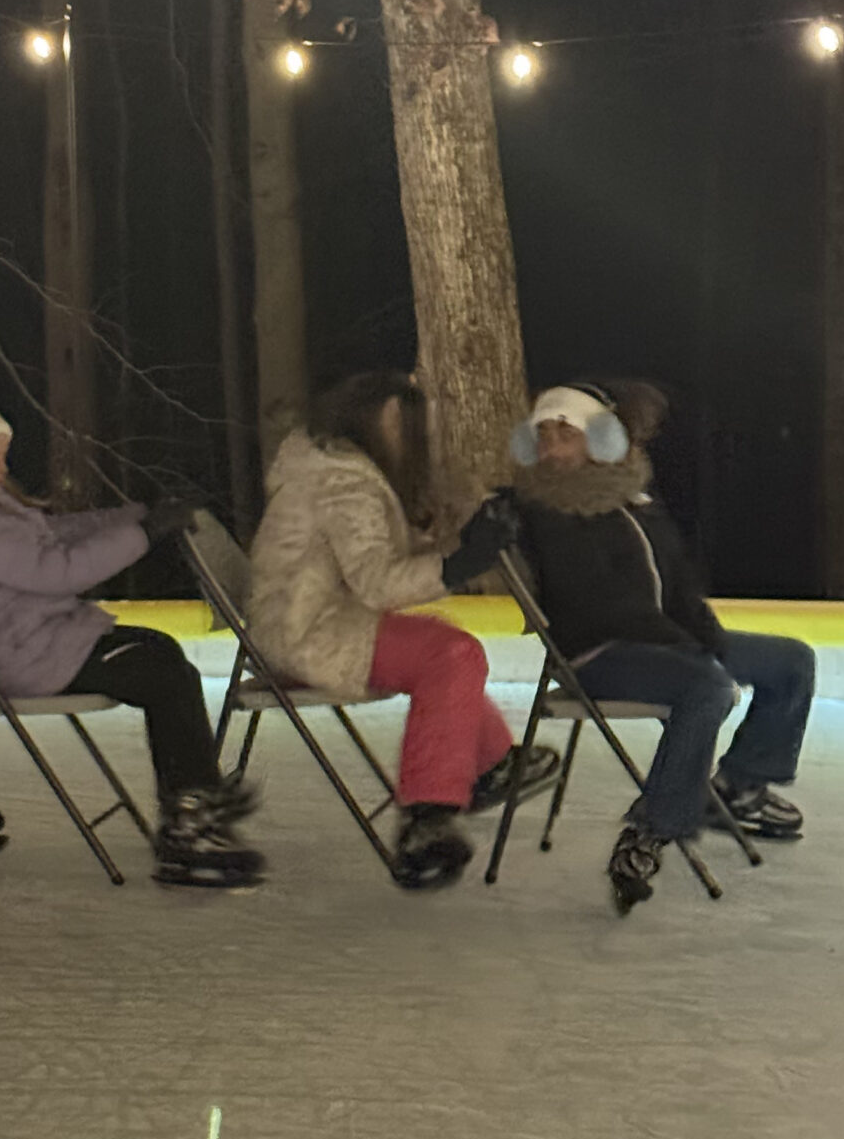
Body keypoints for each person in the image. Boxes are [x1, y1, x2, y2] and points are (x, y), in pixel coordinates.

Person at [0, 404, 264, 889]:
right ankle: (190, 825)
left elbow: (53, 535)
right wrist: (142, 536)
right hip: (29, 655)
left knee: (159, 652)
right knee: (164, 675)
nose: (1, 468)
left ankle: (193, 801)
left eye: (3, 455)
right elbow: (57, 572)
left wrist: (137, 516)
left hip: (36, 640)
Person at [508, 381, 812, 913]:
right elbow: (589, 603)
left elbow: (679, 587)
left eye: (566, 436)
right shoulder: (542, 509)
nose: (552, 451)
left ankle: (740, 786)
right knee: (707, 686)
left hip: (670, 644)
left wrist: (707, 637)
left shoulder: (635, 502)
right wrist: (689, 648)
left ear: (599, 441)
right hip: (601, 656)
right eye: (544, 438)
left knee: (790, 661)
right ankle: (649, 833)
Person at [247, 371, 558, 888]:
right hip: (310, 633)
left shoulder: (335, 467)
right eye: (405, 425)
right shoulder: (343, 481)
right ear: (382, 420)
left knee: (442, 647)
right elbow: (377, 583)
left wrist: (461, 539)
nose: (410, 439)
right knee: (451, 653)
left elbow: (380, 555)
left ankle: (489, 763)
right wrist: (458, 563)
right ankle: (428, 811)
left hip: (304, 622)